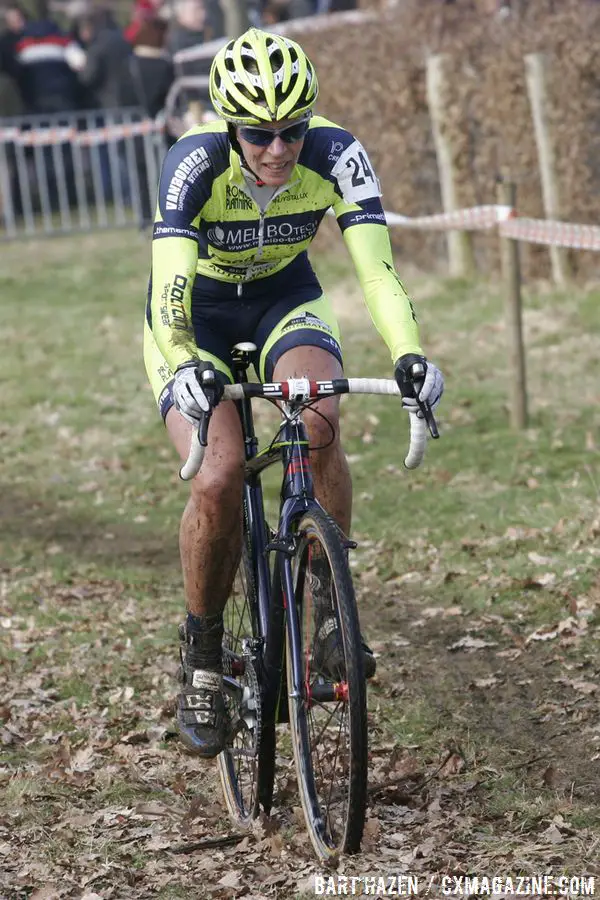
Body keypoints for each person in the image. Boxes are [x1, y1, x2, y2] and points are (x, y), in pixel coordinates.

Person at [143, 27, 444, 759]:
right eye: (258, 133)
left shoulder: (338, 154)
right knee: (216, 476)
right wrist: (183, 360)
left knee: (317, 421)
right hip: (200, 318)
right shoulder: (194, 163)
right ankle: (205, 657)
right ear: (229, 124)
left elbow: (376, 273)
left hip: (284, 299)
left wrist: (409, 354)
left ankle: (331, 615)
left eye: (292, 131)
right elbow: (171, 289)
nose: (278, 149)